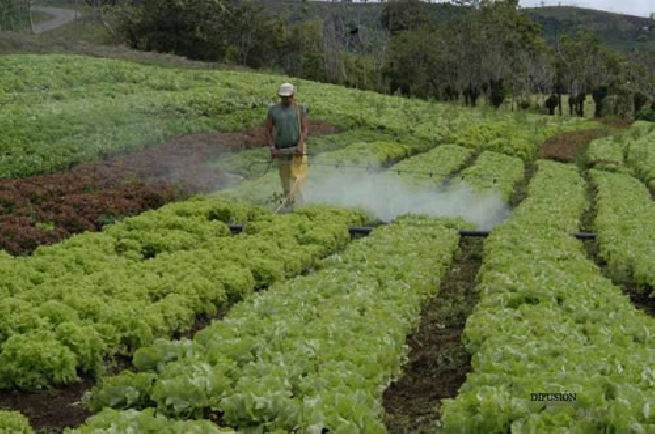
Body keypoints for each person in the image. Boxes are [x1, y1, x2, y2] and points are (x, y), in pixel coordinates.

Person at [265, 82, 309, 209]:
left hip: (297, 149)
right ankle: (288, 204)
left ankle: (300, 205)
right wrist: (272, 148)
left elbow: (304, 129)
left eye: (288, 97)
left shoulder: (300, 108)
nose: (286, 99)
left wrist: (300, 145)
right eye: (283, 97)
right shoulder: (273, 110)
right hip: (281, 149)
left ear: (293, 95)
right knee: (285, 180)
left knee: (297, 179)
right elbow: (268, 131)